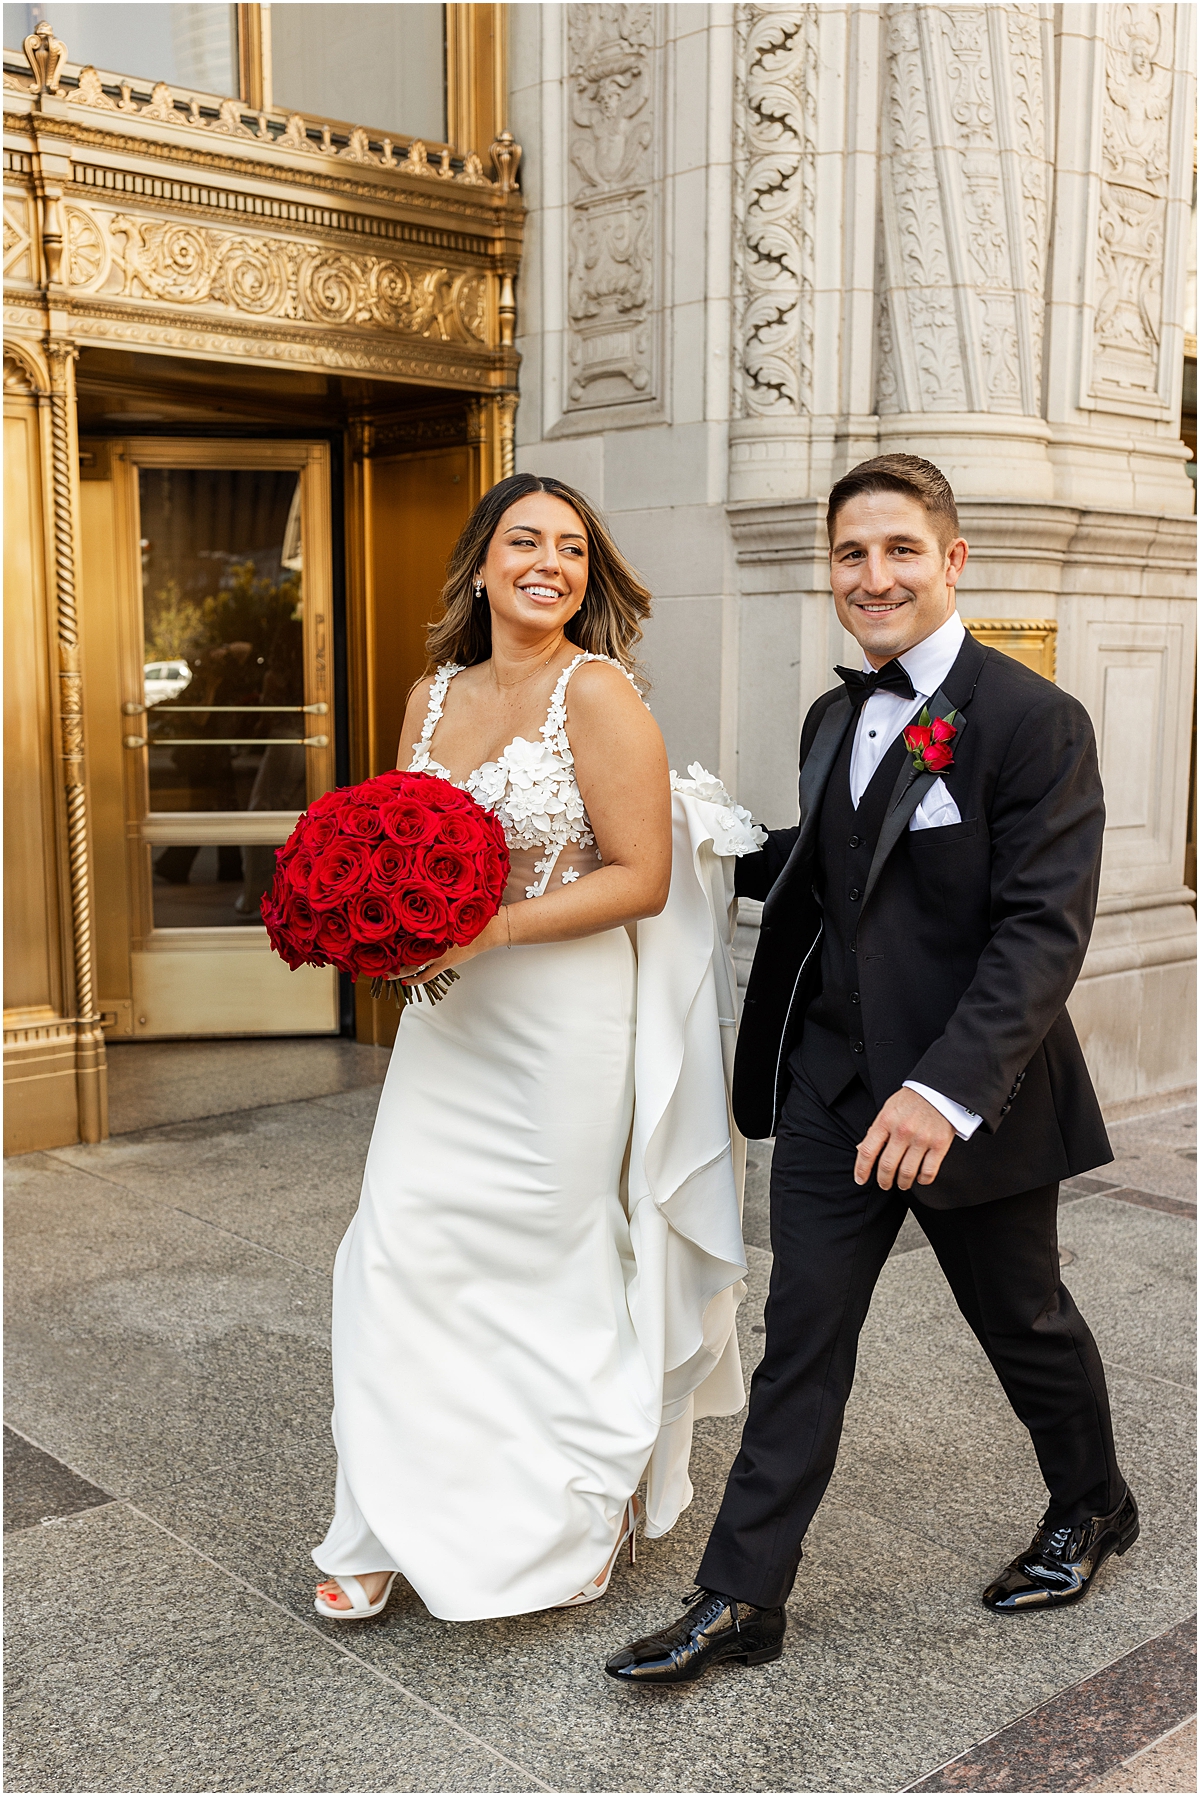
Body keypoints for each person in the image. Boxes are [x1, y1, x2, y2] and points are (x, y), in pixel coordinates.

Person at [607, 453, 1137, 1686]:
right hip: (835, 1084)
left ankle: (1095, 1502)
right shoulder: (836, 714)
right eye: (852, 553)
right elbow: (839, 862)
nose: (874, 574)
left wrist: (944, 1091)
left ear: (953, 560)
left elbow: (1040, 931)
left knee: (1025, 1321)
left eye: (900, 549)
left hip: (974, 1101)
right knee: (803, 1334)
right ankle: (742, 1597)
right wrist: (699, 840)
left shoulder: (1033, 720)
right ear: (830, 572)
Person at [310, 473, 751, 1622]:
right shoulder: (431, 693)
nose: (547, 561)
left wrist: (489, 922)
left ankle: (580, 1500)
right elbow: (393, 840)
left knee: (540, 1264)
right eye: (524, 540)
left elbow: (640, 876)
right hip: (449, 1019)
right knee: (397, 1250)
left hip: (561, 1020)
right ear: (482, 562)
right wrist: (382, 922)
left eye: (570, 546)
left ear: (587, 574)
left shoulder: (597, 695)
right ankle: (378, 1514)